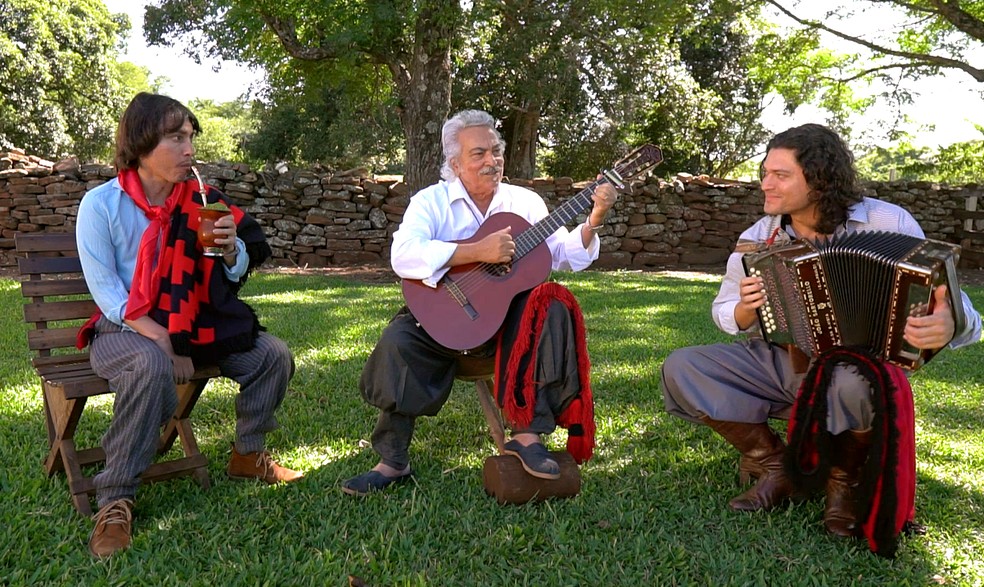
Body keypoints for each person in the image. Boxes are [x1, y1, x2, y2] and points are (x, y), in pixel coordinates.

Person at [660, 123, 981, 548]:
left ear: (818, 178)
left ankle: (843, 482)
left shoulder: (888, 222)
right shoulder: (759, 237)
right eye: (764, 172)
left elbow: (962, 310)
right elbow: (723, 312)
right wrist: (743, 309)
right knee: (683, 367)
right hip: (779, 362)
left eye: (780, 175)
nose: (765, 184)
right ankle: (777, 467)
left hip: (856, 374)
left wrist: (949, 324)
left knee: (851, 378)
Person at [342, 109, 617, 496]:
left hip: (507, 328)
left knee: (551, 303)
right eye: (479, 154)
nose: (492, 161)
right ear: (455, 163)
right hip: (442, 323)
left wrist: (594, 218)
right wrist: (476, 251)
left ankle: (527, 436)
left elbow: (563, 255)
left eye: (497, 152)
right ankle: (392, 460)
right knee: (399, 340)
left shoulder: (525, 202)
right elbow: (403, 256)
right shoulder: (431, 201)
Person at [76, 93, 303, 558]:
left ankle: (247, 453)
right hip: (124, 332)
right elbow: (109, 296)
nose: (189, 150)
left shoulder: (201, 201)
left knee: (272, 355)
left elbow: (228, 274)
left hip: (195, 326)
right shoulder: (100, 205)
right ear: (142, 144)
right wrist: (164, 340)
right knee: (149, 366)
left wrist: (231, 249)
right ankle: (115, 498)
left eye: (191, 138)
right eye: (176, 138)